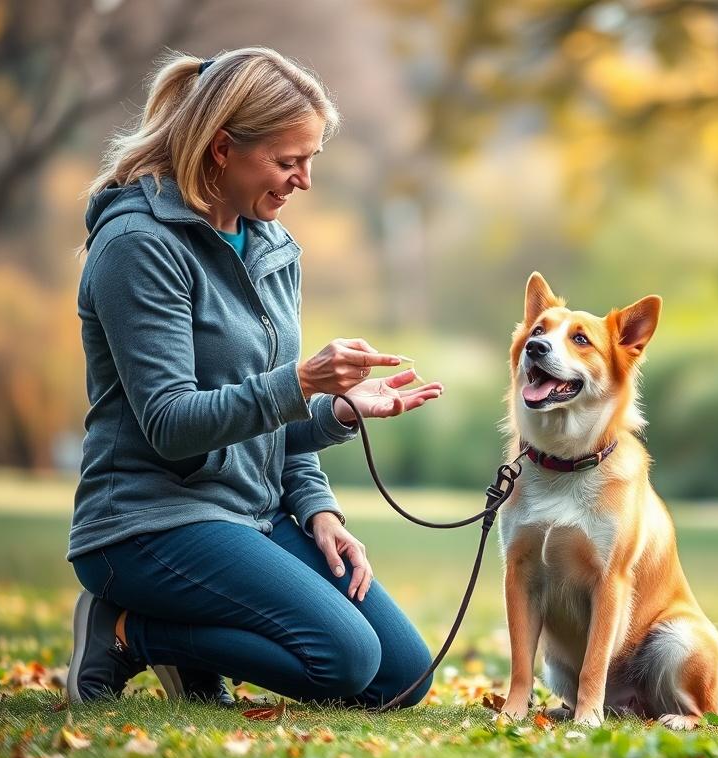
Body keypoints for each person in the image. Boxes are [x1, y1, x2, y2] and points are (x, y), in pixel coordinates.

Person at [67, 47, 444, 708]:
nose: (302, 180)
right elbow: (172, 424)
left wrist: (323, 481)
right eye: (286, 161)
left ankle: (190, 645)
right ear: (220, 149)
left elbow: (266, 426)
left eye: (310, 160)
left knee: (403, 676)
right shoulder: (139, 245)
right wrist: (301, 386)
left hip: (253, 514)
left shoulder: (270, 247)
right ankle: (127, 631)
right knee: (345, 659)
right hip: (146, 523)